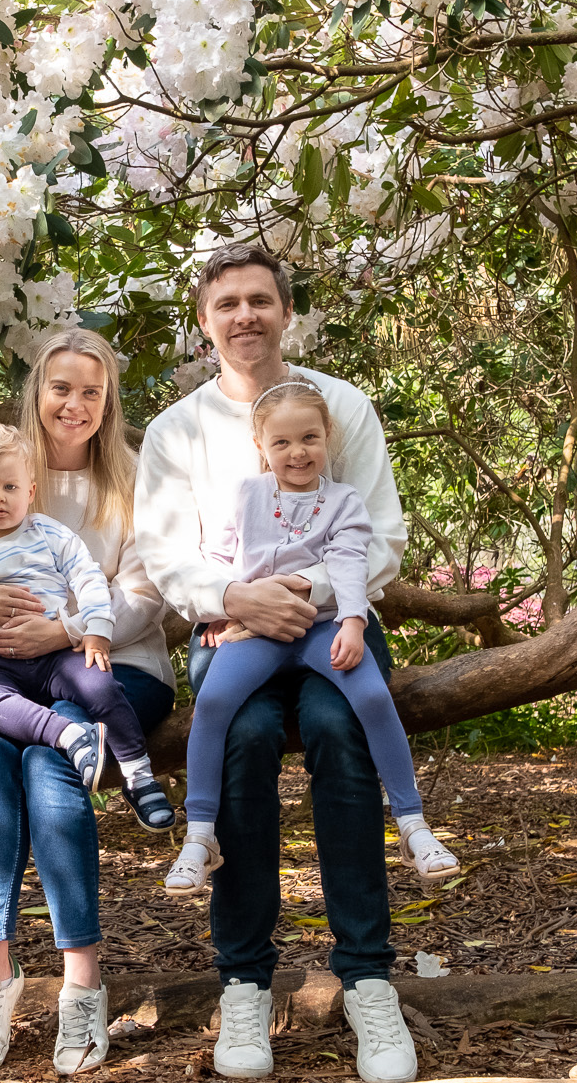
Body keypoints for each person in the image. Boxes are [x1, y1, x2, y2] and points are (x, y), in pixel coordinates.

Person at [135, 240, 421, 1083]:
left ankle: (368, 978)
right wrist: (236, 598)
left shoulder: (342, 408)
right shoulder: (176, 430)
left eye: (260, 300)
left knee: (339, 729)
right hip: (232, 634)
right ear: (204, 323)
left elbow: (385, 537)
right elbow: (163, 553)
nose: (244, 317)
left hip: (336, 625)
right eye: (227, 305)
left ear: (286, 311)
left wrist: (303, 590)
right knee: (246, 739)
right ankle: (246, 984)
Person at [0, 328, 177, 1077]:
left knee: (49, 765)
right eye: (60, 388)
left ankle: (82, 980)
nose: (73, 404)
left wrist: (68, 626)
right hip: (15, 670)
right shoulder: (0, 469)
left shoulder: (131, 476)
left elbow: (148, 593)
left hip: (115, 666)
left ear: (108, 400)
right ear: (36, 392)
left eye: (91, 390)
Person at [163, 379, 457, 896]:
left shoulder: (343, 502)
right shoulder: (248, 495)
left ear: (327, 438)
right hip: (258, 629)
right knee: (214, 703)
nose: (297, 453)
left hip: (322, 625)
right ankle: (200, 834)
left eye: (309, 439)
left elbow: (349, 564)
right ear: (261, 446)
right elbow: (218, 555)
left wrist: (352, 622)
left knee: (369, 694)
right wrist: (219, 605)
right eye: (281, 443)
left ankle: (413, 823)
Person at [0, 421, 163, 803]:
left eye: (10, 488)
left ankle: (139, 774)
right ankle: (66, 734)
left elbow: (91, 578)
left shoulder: (49, 534)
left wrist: (93, 628)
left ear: (30, 491)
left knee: (97, 682)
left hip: (56, 656)